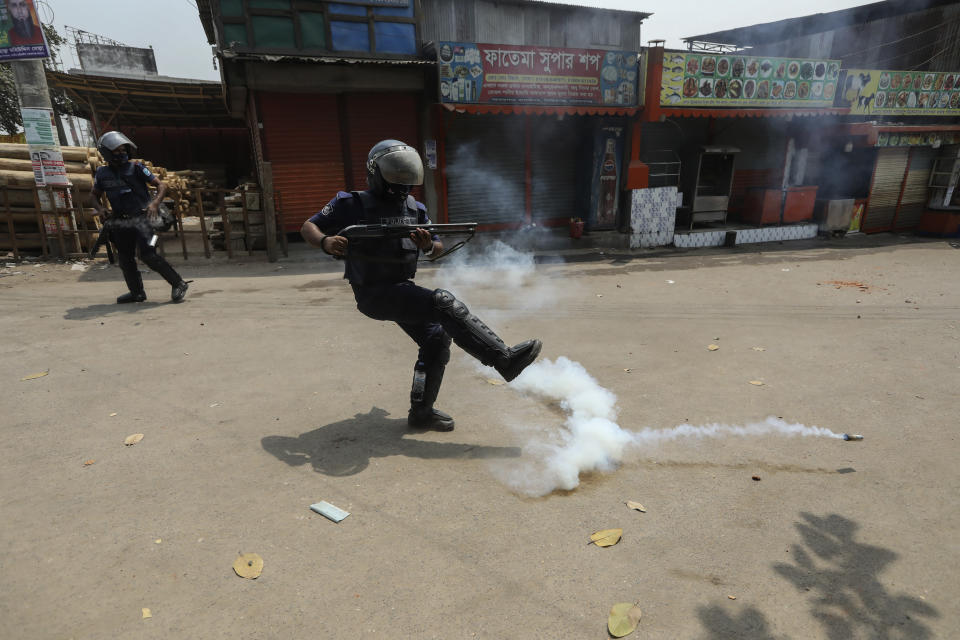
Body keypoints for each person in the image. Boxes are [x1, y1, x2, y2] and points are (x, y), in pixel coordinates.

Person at [301, 139, 542, 432]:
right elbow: (308, 226)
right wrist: (325, 241)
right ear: (375, 171)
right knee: (442, 302)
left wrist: (428, 246)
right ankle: (502, 360)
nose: (402, 183)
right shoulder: (350, 203)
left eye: (407, 175)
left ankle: (421, 413)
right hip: (373, 293)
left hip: (401, 288)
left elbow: (437, 247)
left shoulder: (414, 207)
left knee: (436, 339)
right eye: (395, 174)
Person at [90, 131, 189, 304]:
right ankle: (137, 293)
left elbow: (161, 185)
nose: (122, 153)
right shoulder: (101, 173)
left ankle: (178, 283)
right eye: (117, 150)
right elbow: (93, 195)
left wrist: (155, 204)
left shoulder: (136, 167)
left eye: (123, 150)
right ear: (106, 153)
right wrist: (100, 209)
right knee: (125, 258)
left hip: (145, 221)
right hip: (121, 222)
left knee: (148, 254)